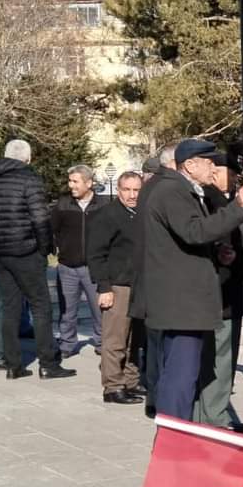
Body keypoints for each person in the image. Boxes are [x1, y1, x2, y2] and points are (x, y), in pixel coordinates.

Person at [140, 138, 243, 420]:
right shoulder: (172, 191)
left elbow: (183, 240)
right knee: (180, 376)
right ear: (190, 165)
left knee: (182, 372)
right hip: (182, 303)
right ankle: (174, 432)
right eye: (209, 163)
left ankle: (177, 428)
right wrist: (237, 206)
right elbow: (194, 231)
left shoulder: (181, 190)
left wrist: (217, 252)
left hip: (183, 300)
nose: (214, 168)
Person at [0, 140, 73, 380]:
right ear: (27, 158)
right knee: (41, 306)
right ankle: (48, 364)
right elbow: (40, 218)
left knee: (10, 307)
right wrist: (45, 249)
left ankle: (13, 365)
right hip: (25, 251)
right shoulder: (29, 178)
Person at [194, 153, 243, 431]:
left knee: (215, 357)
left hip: (224, 290)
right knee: (220, 357)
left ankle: (207, 413)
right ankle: (214, 416)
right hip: (222, 291)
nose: (235, 177)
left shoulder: (216, 199)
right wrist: (225, 254)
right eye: (231, 172)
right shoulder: (214, 200)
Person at [86, 170, 144, 404]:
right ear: (118, 190)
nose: (132, 195)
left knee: (134, 339)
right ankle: (113, 386)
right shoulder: (107, 215)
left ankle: (130, 381)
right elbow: (95, 254)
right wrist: (104, 287)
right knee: (115, 339)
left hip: (139, 285)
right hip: (117, 286)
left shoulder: (141, 213)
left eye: (136, 190)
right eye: (127, 190)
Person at [131, 145, 177, 417]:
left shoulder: (150, 190)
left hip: (151, 279)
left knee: (155, 345)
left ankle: (154, 397)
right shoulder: (164, 190)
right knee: (160, 346)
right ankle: (158, 398)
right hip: (160, 281)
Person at [51, 164, 108, 357]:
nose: (71, 185)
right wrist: (58, 249)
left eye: (75, 181)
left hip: (95, 268)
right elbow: (52, 230)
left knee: (100, 310)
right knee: (67, 311)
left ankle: (102, 344)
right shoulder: (62, 204)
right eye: (70, 181)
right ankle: (67, 345)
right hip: (67, 267)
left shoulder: (104, 205)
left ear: (89, 183)